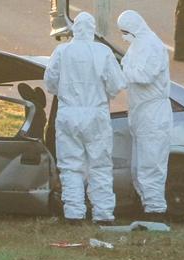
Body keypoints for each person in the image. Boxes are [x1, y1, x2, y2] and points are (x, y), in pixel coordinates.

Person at [44, 12, 126, 225]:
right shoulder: (103, 52)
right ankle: (104, 214)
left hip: (68, 114)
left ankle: (73, 213)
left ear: (74, 30)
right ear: (92, 30)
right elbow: (117, 84)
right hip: (96, 114)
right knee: (100, 165)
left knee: (71, 166)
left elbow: (50, 82)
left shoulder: (61, 51)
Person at [117, 10, 173, 222]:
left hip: (153, 114)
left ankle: (156, 211)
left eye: (124, 31)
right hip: (141, 112)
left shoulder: (152, 45)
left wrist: (119, 72)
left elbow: (144, 75)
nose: (123, 36)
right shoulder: (138, 45)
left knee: (152, 163)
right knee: (139, 165)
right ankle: (146, 205)